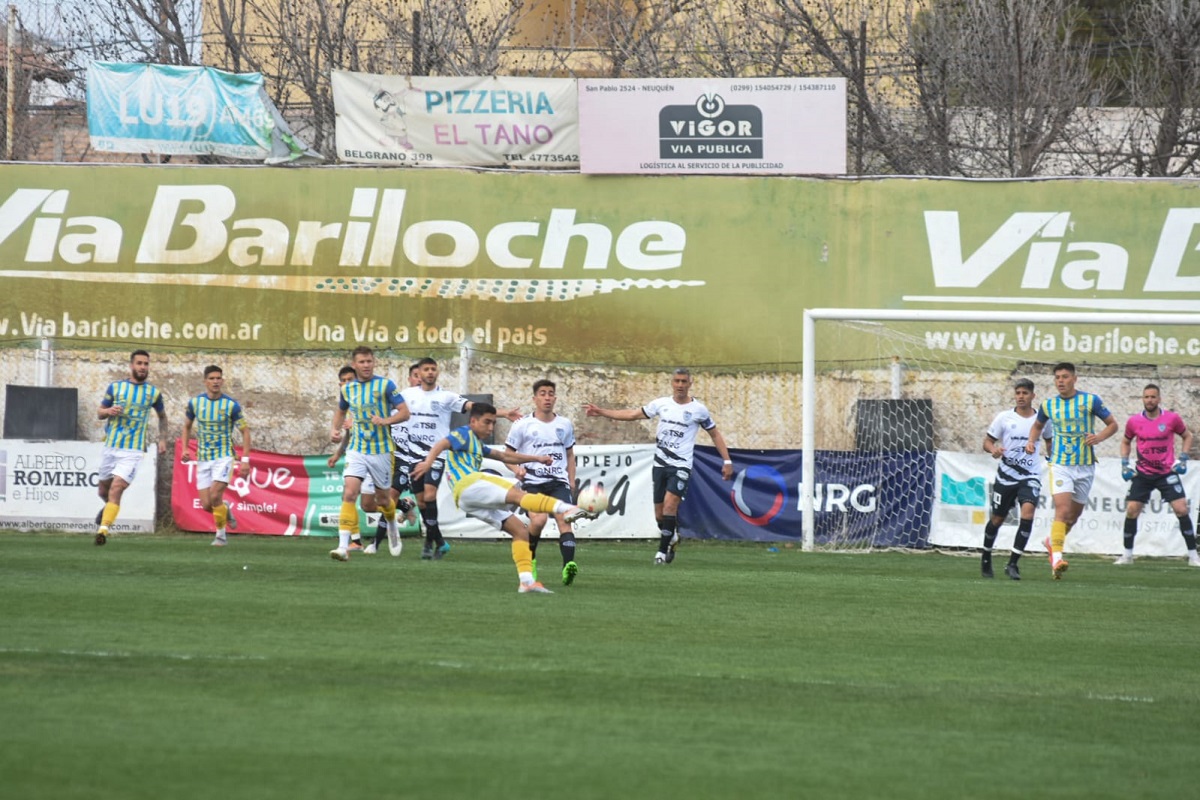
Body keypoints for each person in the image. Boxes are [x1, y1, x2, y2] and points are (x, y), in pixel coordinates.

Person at [411, 403, 596, 593]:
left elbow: (504, 456)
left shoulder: (477, 443)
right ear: (473, 421)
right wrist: (428, 462)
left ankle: (526, 582)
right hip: (468, 483)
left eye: (493, 423)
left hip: (466, 500)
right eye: (487, 422)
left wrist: (536, 459)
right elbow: (443, 443)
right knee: (518, 495)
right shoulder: (464, 433)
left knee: (520, 531)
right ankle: (566, 508)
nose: (491, 428)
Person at [585, 368, 734, 565]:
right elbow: (632, 414)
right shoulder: (661, 405)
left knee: (670, 505)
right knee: (659, 513)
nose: (680, 385)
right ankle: (671, 537)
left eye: (683, 381)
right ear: (672, 383)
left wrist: (727, 461)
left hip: (681, 465)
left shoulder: (699, 410)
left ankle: (661, 553)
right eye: (677, 381)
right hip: (660, 464)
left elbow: (714, 434)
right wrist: (602, 412)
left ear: (690, 384)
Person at [402, 357, 520, 561]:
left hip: (437, 454)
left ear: (437, 372)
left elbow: (475, 408)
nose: (430, 372)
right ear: (418, 373)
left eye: (433, 369)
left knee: (429, 495)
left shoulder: (446, 397)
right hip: (414, 454)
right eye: (426, 369)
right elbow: (391, 412)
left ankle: (430, 544)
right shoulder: (406, 395)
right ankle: (438, 541)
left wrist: (503, 413)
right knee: (421, 502)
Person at [1025, 362, 1118, 580]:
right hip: (1060, 464)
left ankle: (1051, 542)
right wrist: (1031, 441)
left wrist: (1099, 437)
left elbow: (1112, 424)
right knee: (1063, 510)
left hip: (1085, 466)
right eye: (1057, 377)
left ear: (1074, 378)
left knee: (1073, 518)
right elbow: (1038, 426)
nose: (1060, 381)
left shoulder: (1090, 400)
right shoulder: (1049, 405)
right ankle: (1057, 558)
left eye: (1065, 377)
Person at [328, 346, 410, 562]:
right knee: (349, 494)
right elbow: (341, 411)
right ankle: (343, 547)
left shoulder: (385, 385)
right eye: (362, 362)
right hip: (357, 449)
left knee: (383, 499)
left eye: (369, 361)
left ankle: (392, 523)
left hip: (381, 451)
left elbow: (404, 412)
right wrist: (334, 430)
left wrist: (386, 420)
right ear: (354, 365)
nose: (366, 365)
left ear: (374, 362)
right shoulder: (348, 389)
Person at [505, 379, 581, 586]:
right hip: (533, 481)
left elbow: (570, 454)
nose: (547, 397)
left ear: (555, 398)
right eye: (543, 393)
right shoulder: (522, 425)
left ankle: (568, 565)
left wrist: (571, 480)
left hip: (558, 481)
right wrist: (516, 469)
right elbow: (508, 454)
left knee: (565, 520)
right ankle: (531, 559)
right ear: (535, 398)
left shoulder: (564, 424)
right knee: (538, 522)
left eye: (550, 394)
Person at [1117, 384, 1200, 567]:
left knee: (1181, 509)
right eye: (1146, 397)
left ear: (1159, 399)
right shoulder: (1134, 422)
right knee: (1132, 510)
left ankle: (1193, 556)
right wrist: (1124, 464)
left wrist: (1183, 458)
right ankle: (1127, 555)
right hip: (1143, 473)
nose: (1150, 400)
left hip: (1166, 473)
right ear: (1142, 399)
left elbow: (1187, 436)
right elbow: (1125, 441)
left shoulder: (1171, 419)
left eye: (1153, 397)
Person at [980, 378, 1052, 580]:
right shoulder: (1004, 418)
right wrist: (994, 450)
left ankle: (1013, 564)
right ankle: (986, 556)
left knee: (1027, 513)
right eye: (1018, 393)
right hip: (1006, 476)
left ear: (1033, 396)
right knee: (997, 519)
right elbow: (987, 441)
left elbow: (1049, 440)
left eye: (1025, 393)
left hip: (1030, 475)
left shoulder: (1041, 419)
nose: (1021, 396)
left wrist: (1052, 457)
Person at [94, 349, 168, 546]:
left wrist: (162, 439)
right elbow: (100, 413)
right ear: (131, 365)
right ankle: (107, 510)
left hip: (133, 450)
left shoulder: (153, 393)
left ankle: (103, 530)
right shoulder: (116, 387)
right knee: (103, 491)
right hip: (111, 447)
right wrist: (109, 411)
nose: (143, 367)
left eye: (146, 364)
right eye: (139, 363)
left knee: (117, 487)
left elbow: (162, 417)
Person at [180, 365, 251, 547]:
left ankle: (220, 536)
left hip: (224, 456)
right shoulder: (195, 403)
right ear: (205, 381)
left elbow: (245, 431)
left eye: (218, 378)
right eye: (212, 378)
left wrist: (245, 460)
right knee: (206, 505)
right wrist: (185, 449)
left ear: (222, 381)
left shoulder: (231, 405)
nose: (215, 381)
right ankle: (225, 509)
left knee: (214, 495)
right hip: (203, 458)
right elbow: (187, 426)